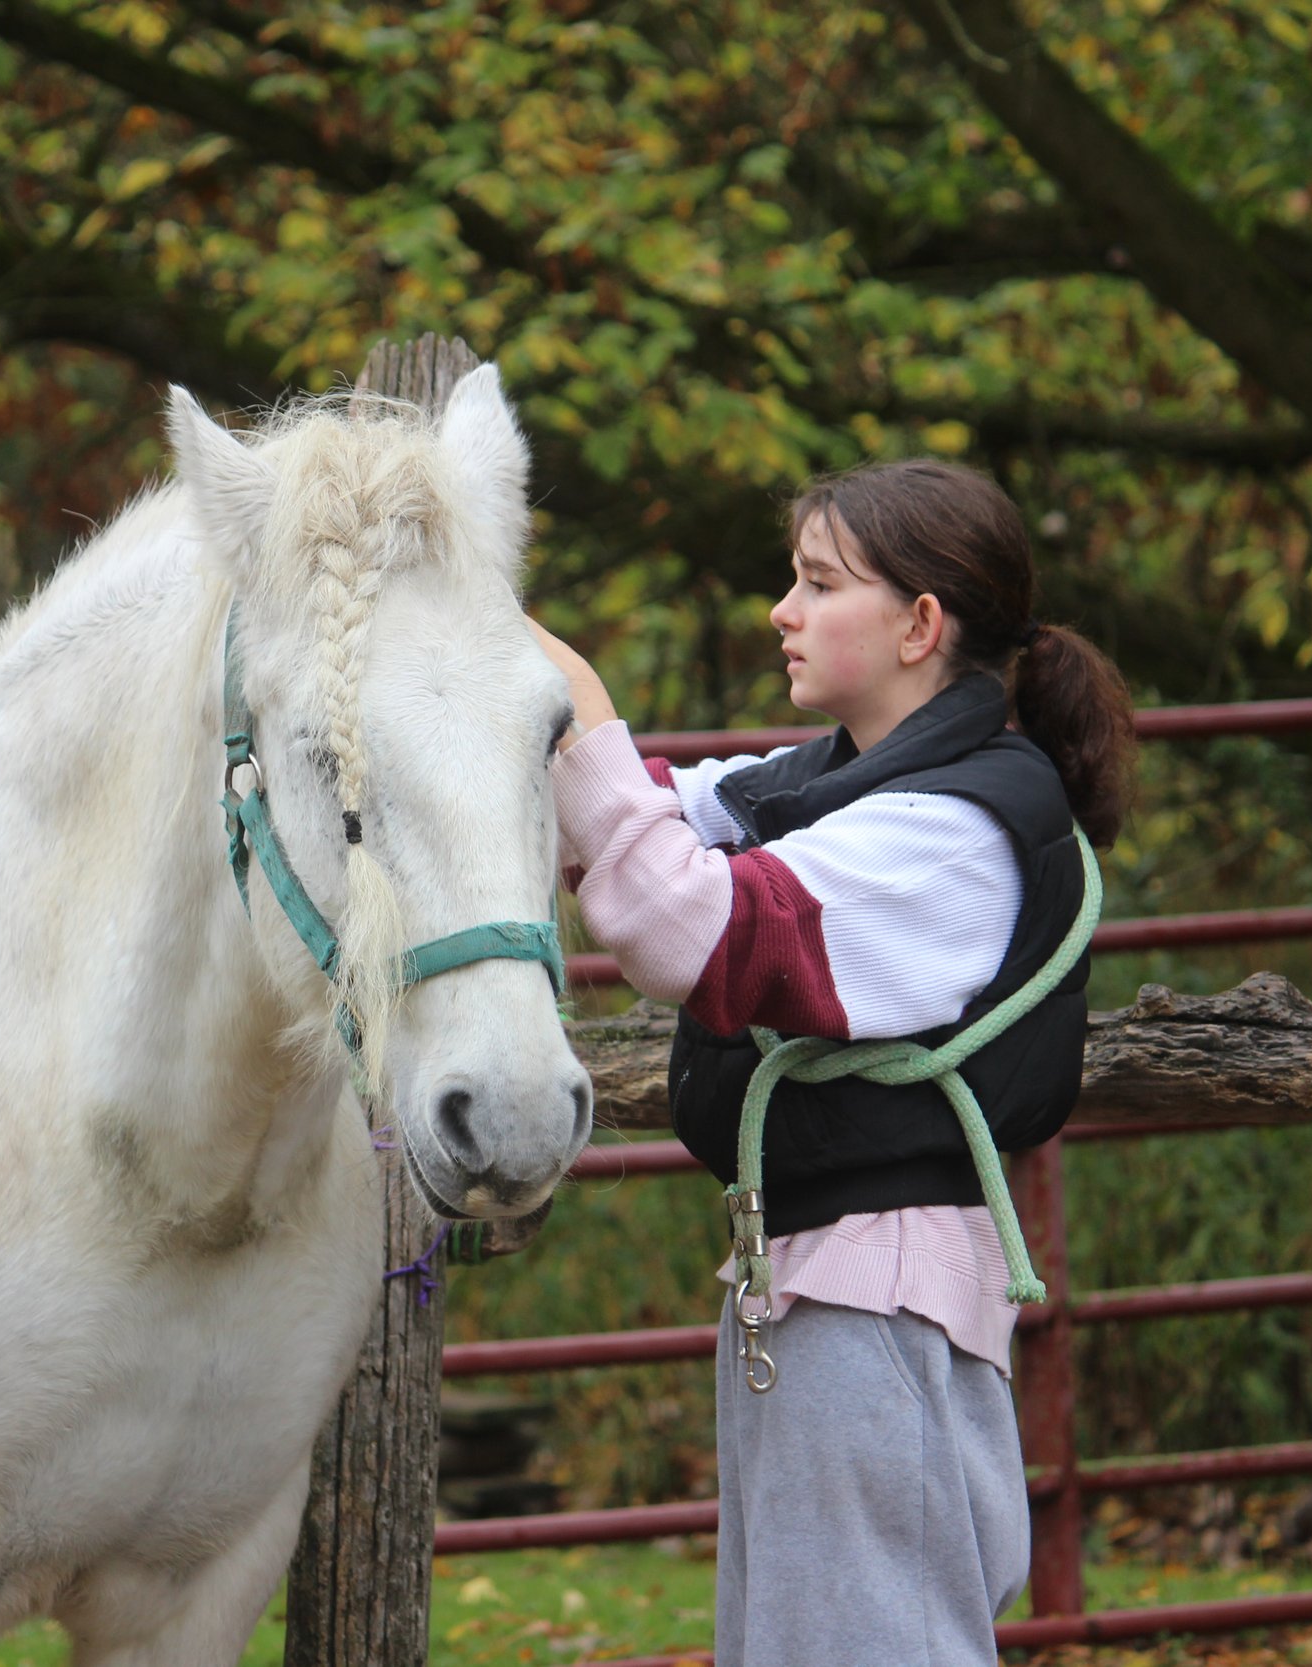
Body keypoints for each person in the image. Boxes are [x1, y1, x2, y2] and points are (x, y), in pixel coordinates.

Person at [531, 459, 1135, 1667]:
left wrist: (580, 700)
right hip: (833, 1285)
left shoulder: (953, 828)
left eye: (817, 582)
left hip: (878, 1300)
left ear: (921, 625)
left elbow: (680, 921)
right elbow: (628, 817)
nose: (781, 609)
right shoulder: (829, 782)